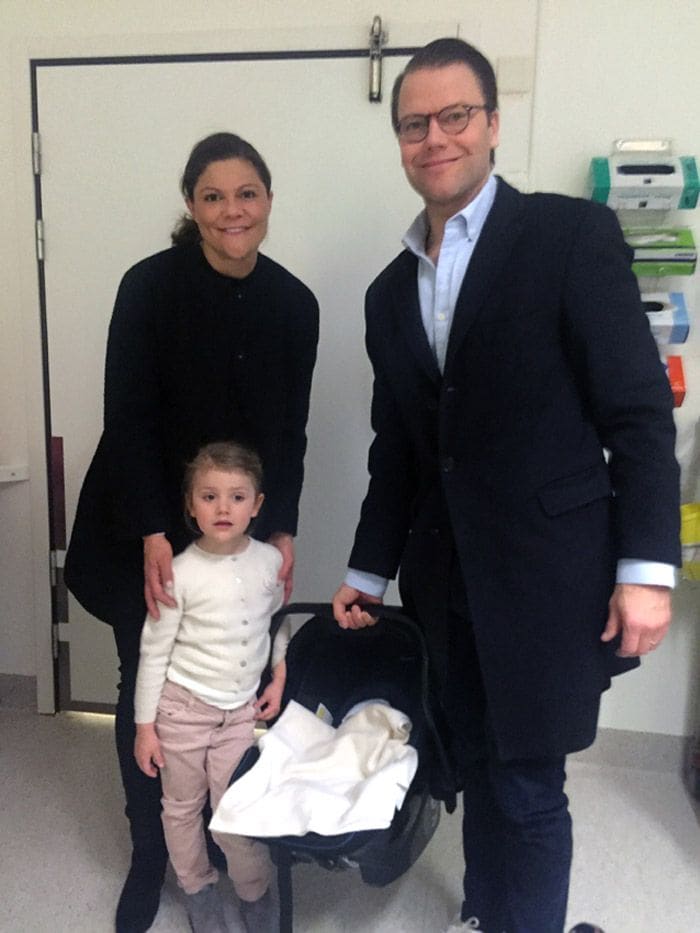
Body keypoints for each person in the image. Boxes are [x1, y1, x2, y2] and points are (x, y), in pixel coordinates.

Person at [332, 38, 680, 933]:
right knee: (476, 763)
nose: (434, 137)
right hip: (446, 586)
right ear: (401, 139)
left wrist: (648, 566)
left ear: (491, 124)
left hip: (548, 580)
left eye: (455, 116)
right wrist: (367, 573)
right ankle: (489, 915)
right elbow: (400, 450)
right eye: (415, 123)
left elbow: (637, 412)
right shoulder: (386, 292)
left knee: (527, 785)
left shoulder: (567, 237)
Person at [64, 131, 319, 933]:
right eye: (213, 195)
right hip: (141, 520)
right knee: (147, 683)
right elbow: (128, 417)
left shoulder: (294, 303)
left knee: (234, 688)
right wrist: (151, 530)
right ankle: (154, 851)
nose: (231, 210)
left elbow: (291, 431)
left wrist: (282, 529)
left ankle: (238, 847)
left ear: (269, 201)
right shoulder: (147, 286)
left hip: (241, 530)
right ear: (190, 205)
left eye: (247, 193)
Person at [134, 441, 288, 933]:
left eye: (237, 497)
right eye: (210, 496)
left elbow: (275, 621)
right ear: (190, 506)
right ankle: (197, 888)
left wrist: (279, 669)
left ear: (257, 506)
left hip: (240, 712)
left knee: (236, 807)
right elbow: (153, 651)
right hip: (181, 711)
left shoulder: (269, 561)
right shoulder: (178, 572)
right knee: (181, 809)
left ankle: (254, 888)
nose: (224, 508)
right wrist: (145, 728)